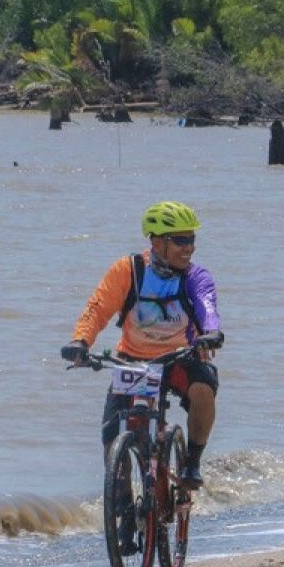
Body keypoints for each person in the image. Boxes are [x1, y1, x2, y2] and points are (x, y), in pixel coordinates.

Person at [61, 201, 223, 490]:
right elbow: (97, 309)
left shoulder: (196, 278)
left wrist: (210, 333)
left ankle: (192, 463)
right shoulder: (129, 270)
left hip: (179, 359)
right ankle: (121, 503)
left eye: (192, 239)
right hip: (132, 361)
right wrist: (80, 341)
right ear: (157, 242)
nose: (190, 248)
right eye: (181, 240)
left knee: (204, 390)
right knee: (111, 440)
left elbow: (207, 307)